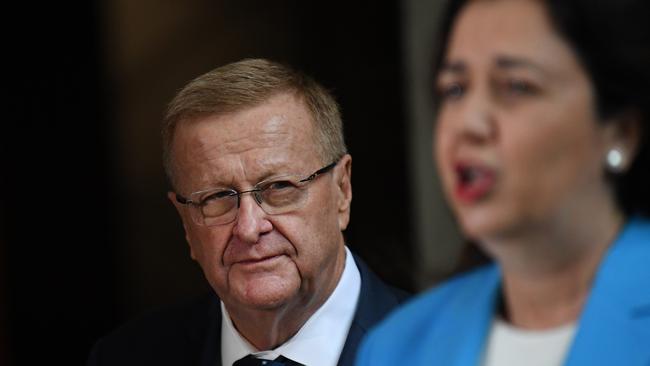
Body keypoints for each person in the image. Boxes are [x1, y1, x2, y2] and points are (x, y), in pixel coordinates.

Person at [357, 0, 650, 365]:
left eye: (516, 86)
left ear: (620, 132)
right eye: (455, 90)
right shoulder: (396, 346)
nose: (468, 123)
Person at [87, 58, 407, 366]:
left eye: (280, 188)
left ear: (342, 190)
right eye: (217, 197)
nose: (249, 227)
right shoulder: (125, 356)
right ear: (186, 222)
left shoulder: (442, 346)